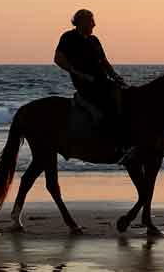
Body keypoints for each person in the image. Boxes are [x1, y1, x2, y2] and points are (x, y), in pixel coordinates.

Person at [54, 9, 133, 161]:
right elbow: (58, 58)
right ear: (81, 22)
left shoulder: (94, 40)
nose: (94, 24)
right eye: (91, 21)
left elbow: (104, 62)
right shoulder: (68, 37)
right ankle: (113, 143)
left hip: (102, 80)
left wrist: (115, 76)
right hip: (85, 83)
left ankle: (127, 139)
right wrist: (77, 73)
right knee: (109, 104)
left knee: (127, 97)